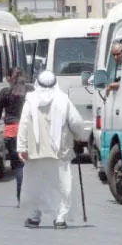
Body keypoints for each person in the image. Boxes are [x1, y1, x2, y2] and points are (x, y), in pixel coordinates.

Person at [17, 70, 86, 229]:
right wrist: (80, 137)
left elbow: (24, 125)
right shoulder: (63, 99)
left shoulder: (30, 100)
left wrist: (22, 147)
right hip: (59, 151)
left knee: (35, 185)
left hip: (36, 151)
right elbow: (76, 122)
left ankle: (35, 217)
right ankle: (60, 218)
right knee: (62, 184)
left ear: (37, 83)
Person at [0, 68, 33, 206]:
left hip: (12, 132)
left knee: (19, 167)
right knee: (32, 166)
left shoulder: (5, 93)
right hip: (30, 132)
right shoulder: (31, 91)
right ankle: (34, 196)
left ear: (8, 78)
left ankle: (21, 198)